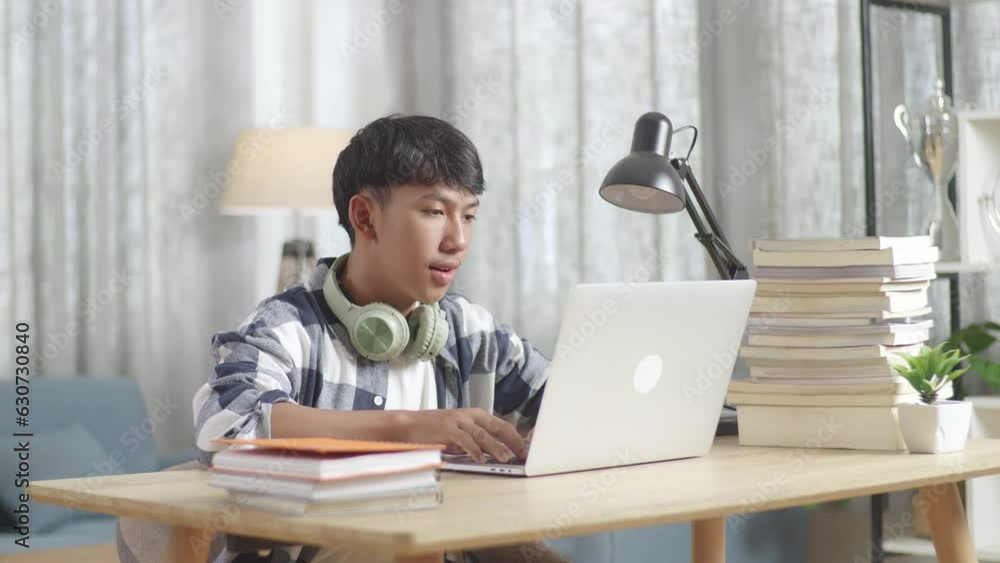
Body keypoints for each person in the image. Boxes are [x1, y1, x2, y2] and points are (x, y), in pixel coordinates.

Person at [119, 115, 568, 563]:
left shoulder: (469, 328)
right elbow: (224, 429)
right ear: (364, 217)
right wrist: (408, 428)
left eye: (468, 216)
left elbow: (567, 400)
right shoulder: (287, 326)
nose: (458, 240)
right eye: (435, 212)